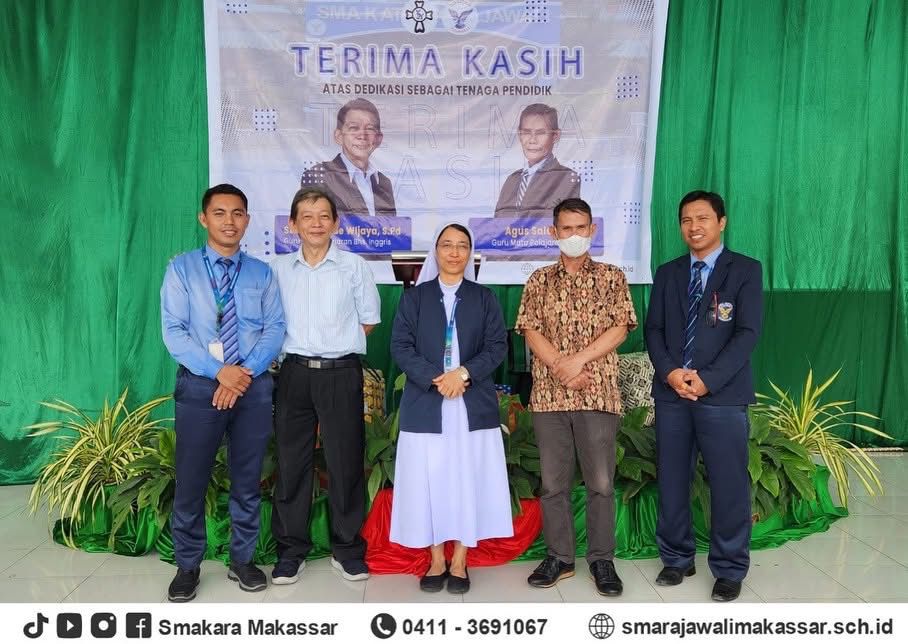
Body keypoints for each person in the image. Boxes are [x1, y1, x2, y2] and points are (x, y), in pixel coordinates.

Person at [160, 183, 286, 602]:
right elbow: (174, 332)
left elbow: (275, 328)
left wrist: (242, 374)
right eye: (219, 213)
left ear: (246, 220)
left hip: (252, 386)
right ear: (204, 218)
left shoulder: (261, 273)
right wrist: (220, 373)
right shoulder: (181, 269)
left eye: (237, 213)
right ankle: (187, 566)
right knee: (192, 479)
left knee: (247, 479)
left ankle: (242, 560)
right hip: (200, 385)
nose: (229, 221)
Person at [644, 190, 763, 602]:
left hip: (722, 396)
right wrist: (671, 373)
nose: (693, 227)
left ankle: (729, 568)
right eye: (686, 220)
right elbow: (654, 330)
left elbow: (747, 333)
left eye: (702, 218)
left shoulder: (745, 270)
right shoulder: (668, 272)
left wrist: (707, 380)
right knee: (672, 479)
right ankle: (677, 558)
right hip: (672, 393)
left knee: (728, 483)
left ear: (721, 222)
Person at [515, 198, 636, 596]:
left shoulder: (612, 278)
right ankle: (560, 558)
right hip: (550, 398)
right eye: (566, 228)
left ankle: (602, 559)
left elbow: (621, 327)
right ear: (554, 233)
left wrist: (578, 361)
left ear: (592, 230)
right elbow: (530, 330)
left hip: (597, 394)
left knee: (601, 482)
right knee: (553, 484)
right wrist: (561, 367)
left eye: (580, 227)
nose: (574, 235)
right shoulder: (538, 280)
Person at [389, 222, 512, 594]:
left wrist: (463, 374)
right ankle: (436, 558)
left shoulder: (484, 298)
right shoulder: (416, 298)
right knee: (429, 481)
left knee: (466, 479)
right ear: (436, 251)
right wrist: (437, 378)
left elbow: (497, 346)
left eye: (462, 245)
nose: (454, 252)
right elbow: (400, 346)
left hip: (470, 404)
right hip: (427, 402)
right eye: (446, 245)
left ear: (470, 253)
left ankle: (460, 559)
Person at [269, 187, 381, 584]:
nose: (316, 224)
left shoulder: (353, 266)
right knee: (291, 463)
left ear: (335, 223)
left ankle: (347, 549)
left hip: (340, 372)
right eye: (307, 216)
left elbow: (368, 320)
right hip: (294, 373)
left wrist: (335, 347)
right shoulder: (278, 269)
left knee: (345, 461)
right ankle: (290, 551)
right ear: (293, 224)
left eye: (323, 216)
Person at [301, 98, 396, 217]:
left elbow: (391, 226)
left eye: (370, 129)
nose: (362, 136)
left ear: (378, 139)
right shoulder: (318, 176)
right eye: (354, 128)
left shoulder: (384, 183)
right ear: (339, 136)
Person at [494, 103, 581, 218]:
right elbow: (497, 222)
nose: (532, 140)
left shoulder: (567, 178)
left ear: (555, 136)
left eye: (540, 133)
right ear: (519, 135)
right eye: (526, 132)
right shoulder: (511, 180)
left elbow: (560, 221)